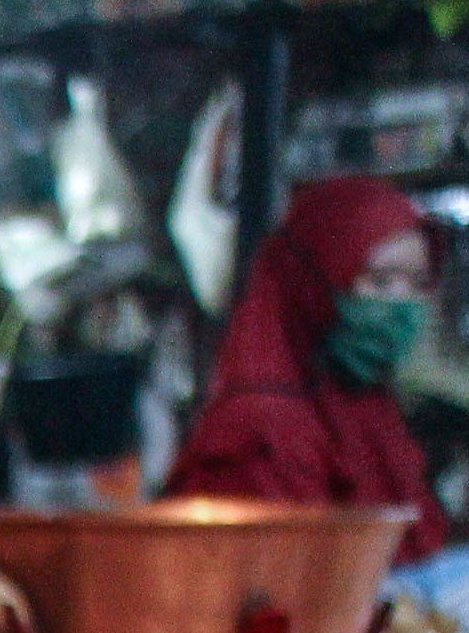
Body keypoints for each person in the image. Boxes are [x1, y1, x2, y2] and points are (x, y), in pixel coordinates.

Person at [166, 173, 445, 556]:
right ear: (311, 285)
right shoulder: (260, 433)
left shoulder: (368, 409)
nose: (402, 305)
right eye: (380, 281)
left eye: (417, 284)